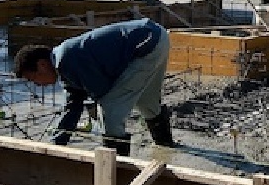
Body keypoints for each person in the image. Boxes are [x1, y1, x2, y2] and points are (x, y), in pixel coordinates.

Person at [14, 18, 174, 156]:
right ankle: (165, 147)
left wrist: (94, 107)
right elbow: (73, 106)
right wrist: (57, 143)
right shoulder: (64, 60)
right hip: (157, 37)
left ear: (41, 65)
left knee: (110, 112)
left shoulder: (66, 58)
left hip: (144, 46)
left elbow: (102, 90)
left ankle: (116, 169)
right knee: (147, 100)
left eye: (33, 78)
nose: (36, 84)